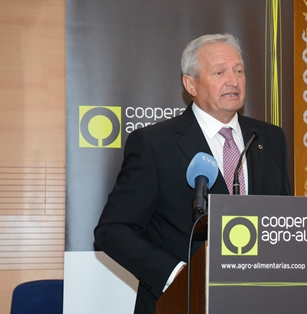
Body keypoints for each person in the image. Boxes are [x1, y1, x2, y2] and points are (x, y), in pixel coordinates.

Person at [94, 33, 292, 314]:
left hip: (258, 301)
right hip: (180, 304)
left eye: (238, 71)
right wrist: (176, 276)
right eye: (219, 72)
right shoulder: (155, 144)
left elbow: (283, 220)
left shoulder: (270, 139)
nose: (233, 81)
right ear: (191, 84)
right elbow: (112, 230)